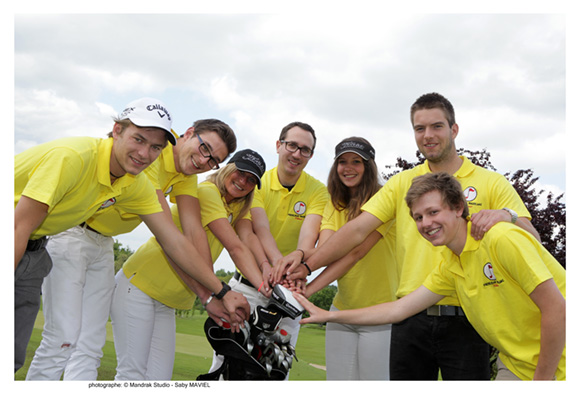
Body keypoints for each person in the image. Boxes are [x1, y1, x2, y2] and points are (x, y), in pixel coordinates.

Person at [276, 93, 541, 380]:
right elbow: (356, 231)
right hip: (408, 318)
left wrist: (507, 215)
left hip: (468, 318)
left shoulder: (490, 182)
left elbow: (533, 239)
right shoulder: (403, 183)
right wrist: (305, 266)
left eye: (437, 126)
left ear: (454, 130)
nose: (428, 135)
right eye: (419, 128)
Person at [15, 97, 249, 373]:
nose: (203, 160)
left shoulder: (156, 179)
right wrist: (212, 294)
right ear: (186, 134)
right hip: (66, 235)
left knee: (89, 343)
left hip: (92, 243)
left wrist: (215, 292)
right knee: (62, 338)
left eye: (213, 161)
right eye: (204, 148)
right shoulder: (119, 161)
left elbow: (185, 236)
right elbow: (20, 226)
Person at [296, 172, 566, 381]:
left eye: (433, 212)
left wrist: (541, 383)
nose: (425, 223)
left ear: (459, 207)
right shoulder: (450, 265)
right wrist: (329, 315)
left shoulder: (500, 238)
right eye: (418, 217)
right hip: (520, 366)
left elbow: (557, 307)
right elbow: (397, 309)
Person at [110, 149, 269, 380]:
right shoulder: (207, 191)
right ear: (227, 168)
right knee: (132, 374)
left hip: (169, 298)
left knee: (159, 378)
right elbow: (232, 247)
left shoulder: (237, 206)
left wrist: (264, 281)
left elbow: (245, 243)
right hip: (139, 285)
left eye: (251, 179)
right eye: (240, 172)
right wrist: (220, 294)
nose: (244, 181)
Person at [228, 122, 328, 364]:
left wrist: (290, 265)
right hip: (247, 289)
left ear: (311, 155)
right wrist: (275, 264)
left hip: (290, 293)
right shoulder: (256, 181)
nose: (296, 154)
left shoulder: (319, 191)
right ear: (278, 145)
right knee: (228, 371)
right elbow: (258, 230)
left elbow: (308, 237)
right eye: (292, 145)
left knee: (275, 373)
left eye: (305, 150)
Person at [305, 137, 398, 380]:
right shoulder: (335, 203)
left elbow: (356, 252)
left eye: (356, 161)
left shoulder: (385, 199)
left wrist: (308, 290)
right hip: (342, 309)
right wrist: (296, 263)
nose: (348, 168)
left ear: (369, 166)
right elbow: (326, 250)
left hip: (381, 313)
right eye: (342, 162)